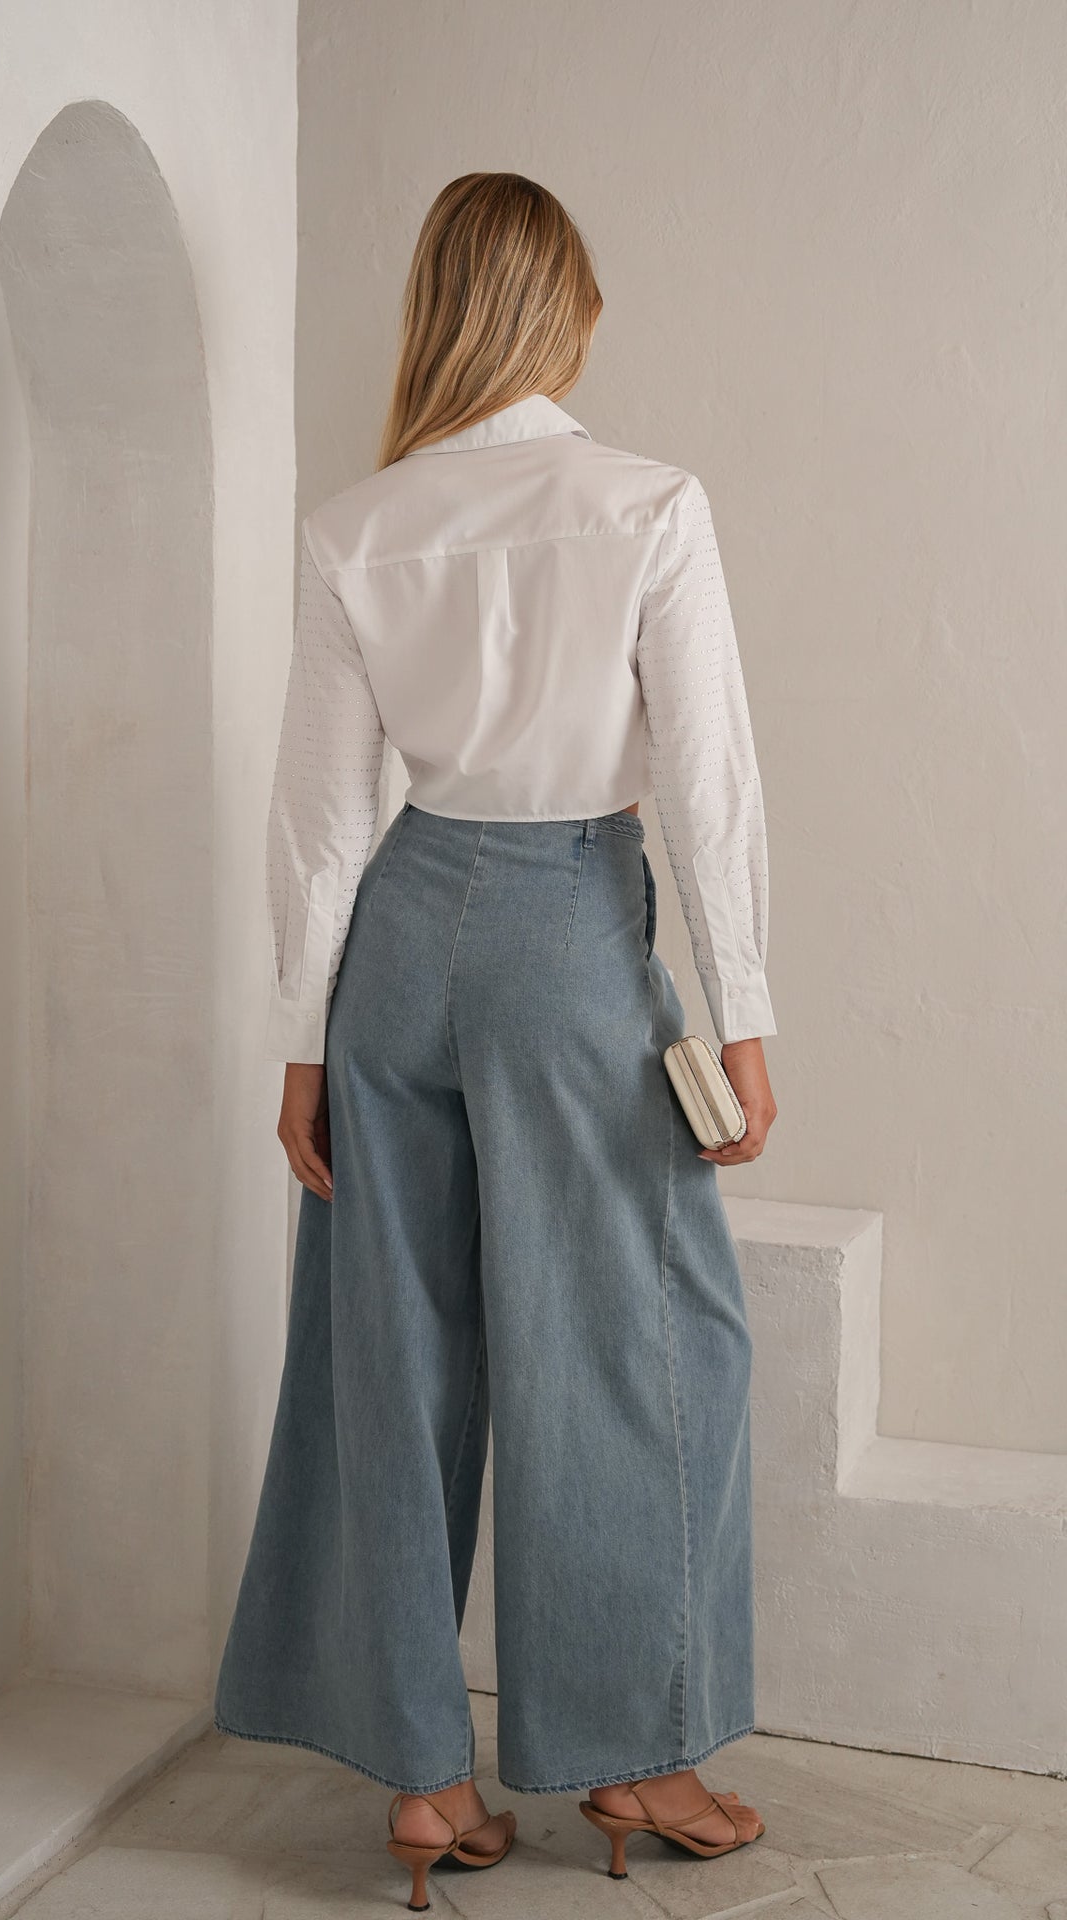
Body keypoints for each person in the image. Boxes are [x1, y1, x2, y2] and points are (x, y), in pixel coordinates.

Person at [213, 170, 778, 1911]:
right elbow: (706, 784)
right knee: (640, 1342)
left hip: (400, 934)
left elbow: (322, 816)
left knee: (391, 1349)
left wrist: (302, 1046)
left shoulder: (356, 525)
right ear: (563, 312)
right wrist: (744, 1010)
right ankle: (637, 1754)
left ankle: (422, 1782)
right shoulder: (647, 503)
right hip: (567, 937)